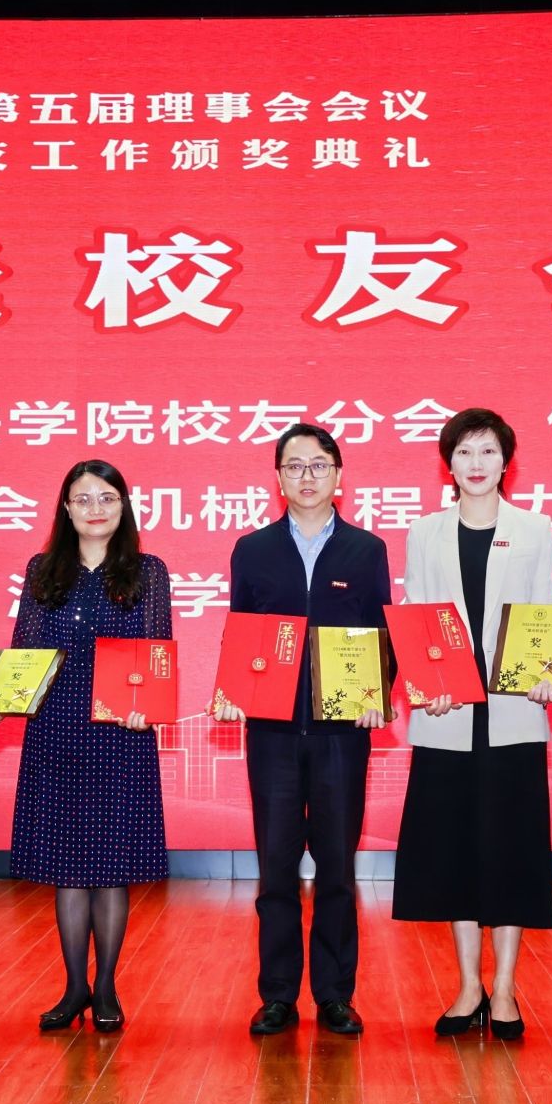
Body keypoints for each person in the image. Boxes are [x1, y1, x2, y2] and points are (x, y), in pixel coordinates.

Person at [0, 460, 171, 1033]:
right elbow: (25, 653)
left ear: (123, 506)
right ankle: (74, 988)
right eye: (82, 499)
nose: (95, 509)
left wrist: (148, 706)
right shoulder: (43, 570)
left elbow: (157, 652)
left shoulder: (148, 572)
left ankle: (106, 987)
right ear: (65, 508)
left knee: (110, 868)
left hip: (119, 733)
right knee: (68, 869)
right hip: (56, 730)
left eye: (106, 497)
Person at [218, 423, 393, 1039]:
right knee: (276, 868)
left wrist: (377, 695)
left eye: (319, 465)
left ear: (338, 475)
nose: (307, 476)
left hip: (342, 732)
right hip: (271, 732)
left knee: (338, 868)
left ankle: (335, 995)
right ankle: (278, 995)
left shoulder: (366, 549)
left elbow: (381, 631)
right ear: (278, 478)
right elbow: (241, 632)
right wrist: (235, 691)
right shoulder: (253, 549)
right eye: (294, 466)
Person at [393, 408, 552, 1041]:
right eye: (464, 452)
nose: (477, 463)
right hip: (448, 713)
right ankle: (468, 985)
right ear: (449, 464)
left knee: (512, 849)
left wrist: (546, 671)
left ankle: (507, 987)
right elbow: (417, 613)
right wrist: (421, 683)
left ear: (506, 461)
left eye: (488, 451)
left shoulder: (534, 528)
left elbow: (544, 608)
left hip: (515, 712)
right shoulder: (425, 532)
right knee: (454, 849)